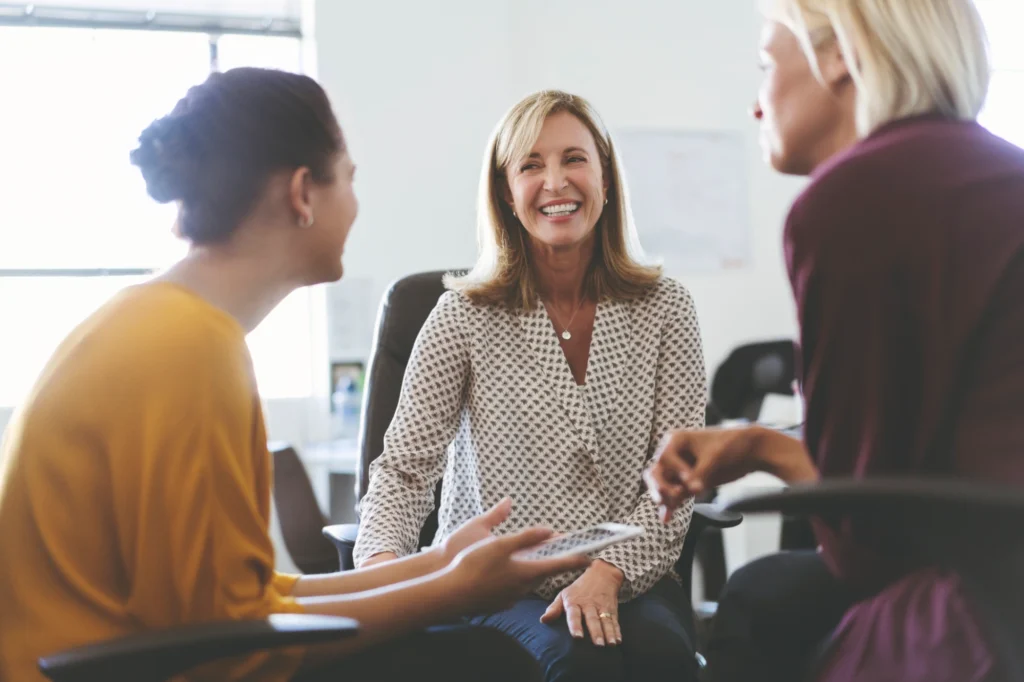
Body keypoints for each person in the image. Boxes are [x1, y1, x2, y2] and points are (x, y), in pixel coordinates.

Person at [0, 67, 591, 682]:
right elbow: (237, 646)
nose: (358, 205)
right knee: (489, 663)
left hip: (120, 657)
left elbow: (245, 600)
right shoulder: (191, 351)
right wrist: (450, 591)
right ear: (303, 193)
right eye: (350, 180)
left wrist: (435, 564)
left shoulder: (161, 322)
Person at [645, 1, 1024, 681]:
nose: (757, 104)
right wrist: (760, 444)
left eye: (766, 62)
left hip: (986, 609)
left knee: (763, 610)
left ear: (840, 54)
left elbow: (865, 543)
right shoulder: (1005, 171)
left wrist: (768, 456)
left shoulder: (852, 200)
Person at [353, 89, 708, 682]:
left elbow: (677, 477)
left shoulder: (666, 308)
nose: (555, 182)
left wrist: (609, 572)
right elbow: (405, 470)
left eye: (574, 158)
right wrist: (386, 580)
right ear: (505, 192)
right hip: (500, 582)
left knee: (662, 660)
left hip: (631, 571)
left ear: (605, 175)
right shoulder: (461, 316)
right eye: (530, 165)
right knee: (577, 663)